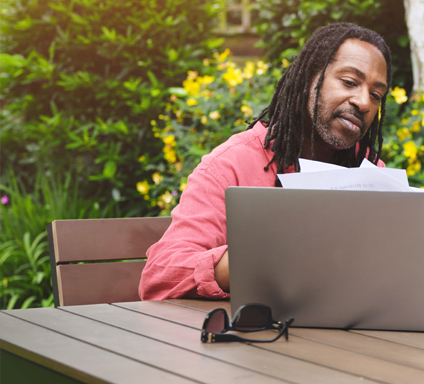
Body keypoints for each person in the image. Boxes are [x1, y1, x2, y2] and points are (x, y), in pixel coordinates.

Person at [139, 23, 392, 300]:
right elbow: (159, 276)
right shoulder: (230, 166)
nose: (364, 103)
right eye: (349, 82)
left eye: (376, 95)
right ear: (308, 79)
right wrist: (259, 259)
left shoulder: (368, 171)